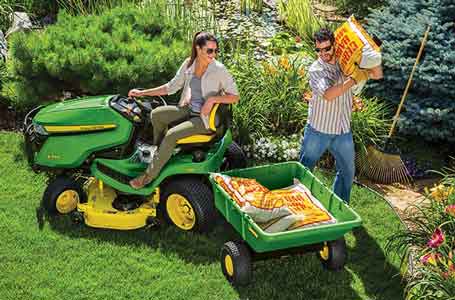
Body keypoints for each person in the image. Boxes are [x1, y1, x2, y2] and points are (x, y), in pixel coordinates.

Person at [128, 32, 239, 189]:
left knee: (171, 135)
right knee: (157, 115)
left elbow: (234, 96)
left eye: (216, 50)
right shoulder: (189, 64)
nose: (213, 55)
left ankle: (148, 176)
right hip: (189, 109)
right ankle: (162, 154)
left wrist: (213, 100)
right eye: (209, 50)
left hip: (204, 119)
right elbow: (170, 87)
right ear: (198, 49)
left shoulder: (219, 70)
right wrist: (142, 93)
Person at [299, 28, 382, 204]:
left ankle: (340, 207)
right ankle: (299, 204)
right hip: (318, 131)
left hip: (342, 130)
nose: (323, 53)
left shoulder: (346, 63)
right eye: (318, 50)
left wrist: (371, 51)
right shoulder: (316, 70)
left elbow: (377, 74)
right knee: (304, 170)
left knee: (347, 172)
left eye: (326, 49)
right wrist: (353, 79)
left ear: (335, 45)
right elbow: (329, 94)